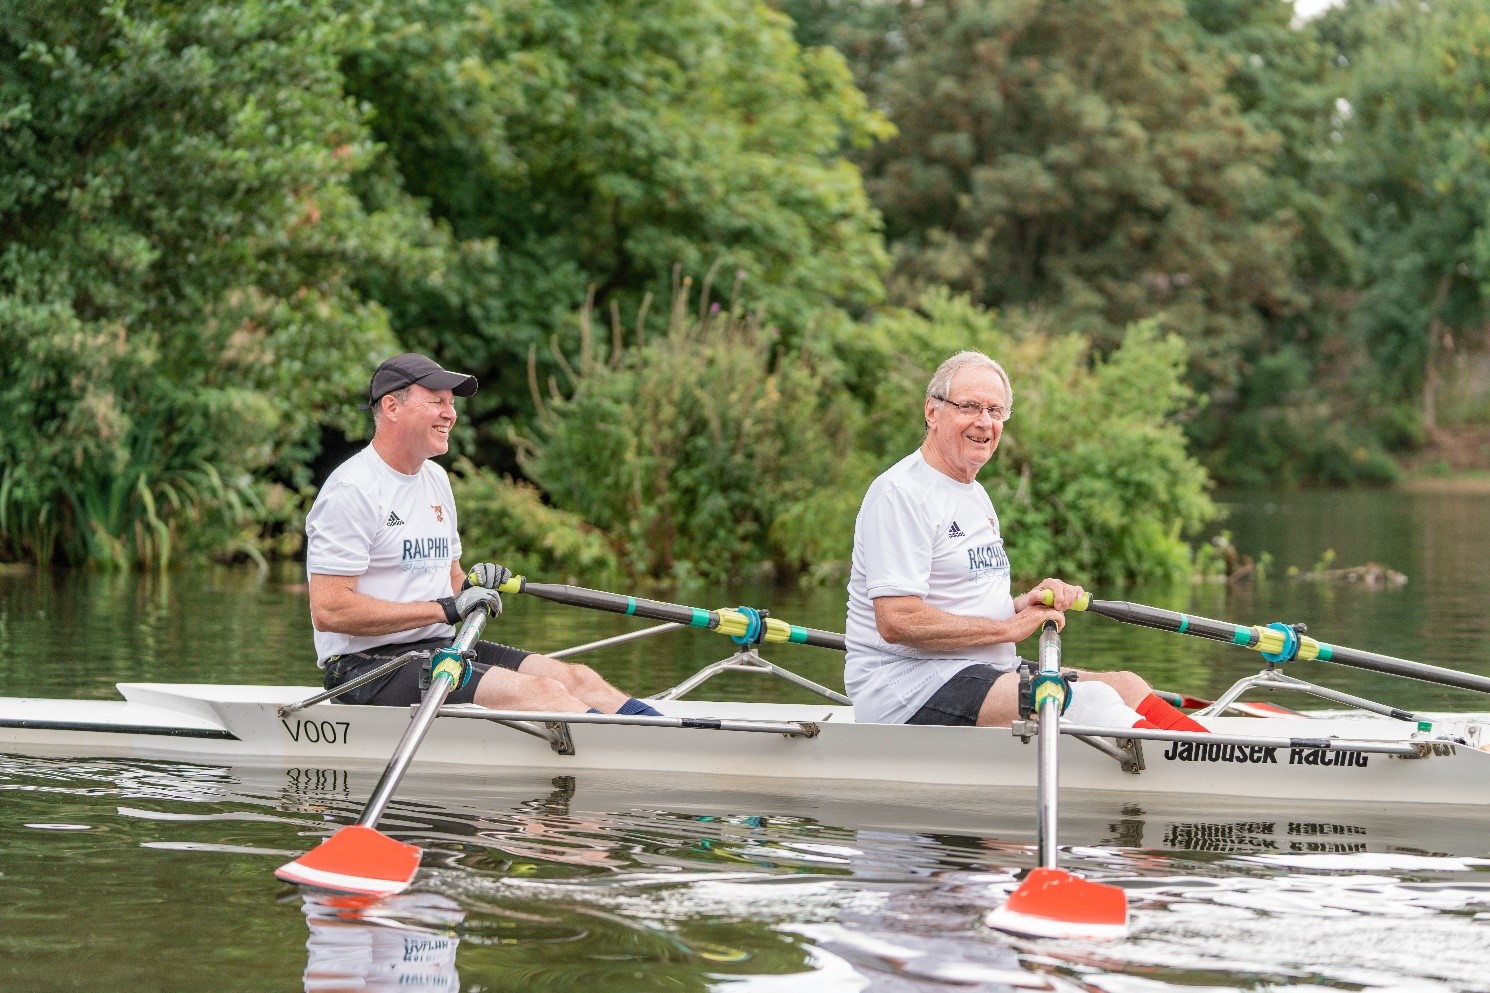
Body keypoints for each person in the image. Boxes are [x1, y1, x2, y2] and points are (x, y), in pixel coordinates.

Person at [844, 350, 1206, 732]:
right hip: (908, 688)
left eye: (995, 411)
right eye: (969, 407)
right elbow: (897, 621)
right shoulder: (900, 493)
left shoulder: (975, 493)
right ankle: (1190, 774)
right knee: (1091, 700)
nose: (984, 422)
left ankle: (1212, 755)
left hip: (981, 669)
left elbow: (967, 601)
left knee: (1127, 686)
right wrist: (1010, 630)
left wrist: (1022, 606)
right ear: (932, 412)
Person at [305, 352, 661, 717]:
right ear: (392, 407)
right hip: (363, 669)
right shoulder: (353, 490)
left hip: (439, 644)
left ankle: (659, 738)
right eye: (437, 401)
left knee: (578, 679)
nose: (451, 414)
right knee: (543, 693)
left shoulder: (435, 479)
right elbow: (330, 610)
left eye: (451, 404)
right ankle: (625, 753)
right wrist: (445, 608)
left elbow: (452, 578)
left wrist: (471, 588)